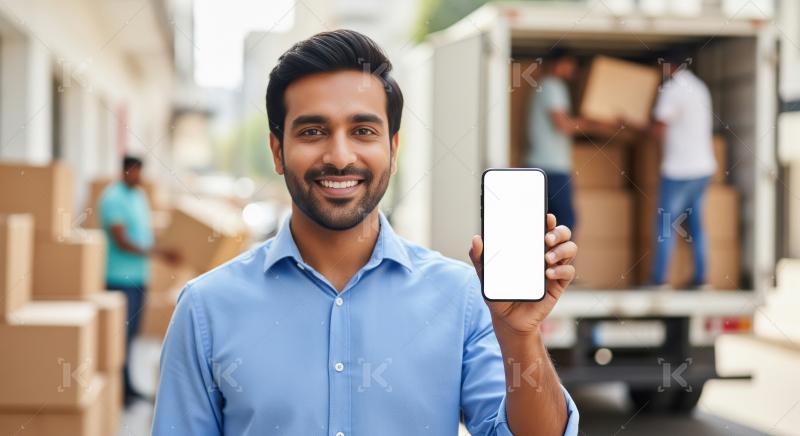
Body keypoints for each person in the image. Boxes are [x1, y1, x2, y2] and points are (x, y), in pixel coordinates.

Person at [152, 30, 580, 436]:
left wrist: (521, 336)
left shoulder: (464, 298)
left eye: (363, 131)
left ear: (392, 150)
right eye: (313, 131)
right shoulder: (205, 309)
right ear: (277, 151)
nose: (340, 157)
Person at [99, 156, 177, 405]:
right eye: (134, 172)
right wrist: (156, 253)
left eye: (140, 172)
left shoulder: (139, 196)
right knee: (120, 336)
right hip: (118, 278)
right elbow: (121, 240)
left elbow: (144, 234)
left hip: (139, 277)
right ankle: (120, 391)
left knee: (132, 335)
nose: (138, 176)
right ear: (124, 170)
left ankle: (128, 386)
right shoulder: (113, 198)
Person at [527, 48, 618, 232]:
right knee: (565, 223)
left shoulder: (546, 86)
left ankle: (548, 261)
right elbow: (564, 125)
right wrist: (599, 125)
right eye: (570, 65)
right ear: (558, 64)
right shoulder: (552, 85)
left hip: (543, 166)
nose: (573, 70)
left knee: (546, 224)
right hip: (550, 168)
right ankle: (559, 261)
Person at [648, 50, 716, 288]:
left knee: (666, 225)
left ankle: (659, 280)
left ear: (668, 66)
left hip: (679, 171)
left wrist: (627, 124)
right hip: (703, 168)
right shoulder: (699, 87)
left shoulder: (672, 90)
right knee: (696, 226)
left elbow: (658, 129)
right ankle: (701, 279)